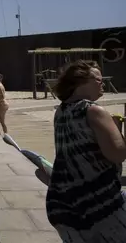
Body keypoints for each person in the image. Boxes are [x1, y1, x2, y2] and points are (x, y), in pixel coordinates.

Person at [46, 60, 126, 241]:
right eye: (98, 80)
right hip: (98, 203)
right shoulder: (94, 111)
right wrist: (118, 131)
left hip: (61, 203)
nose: (103, 83)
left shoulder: (61, 111)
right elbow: (117, 154)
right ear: (80, 81)